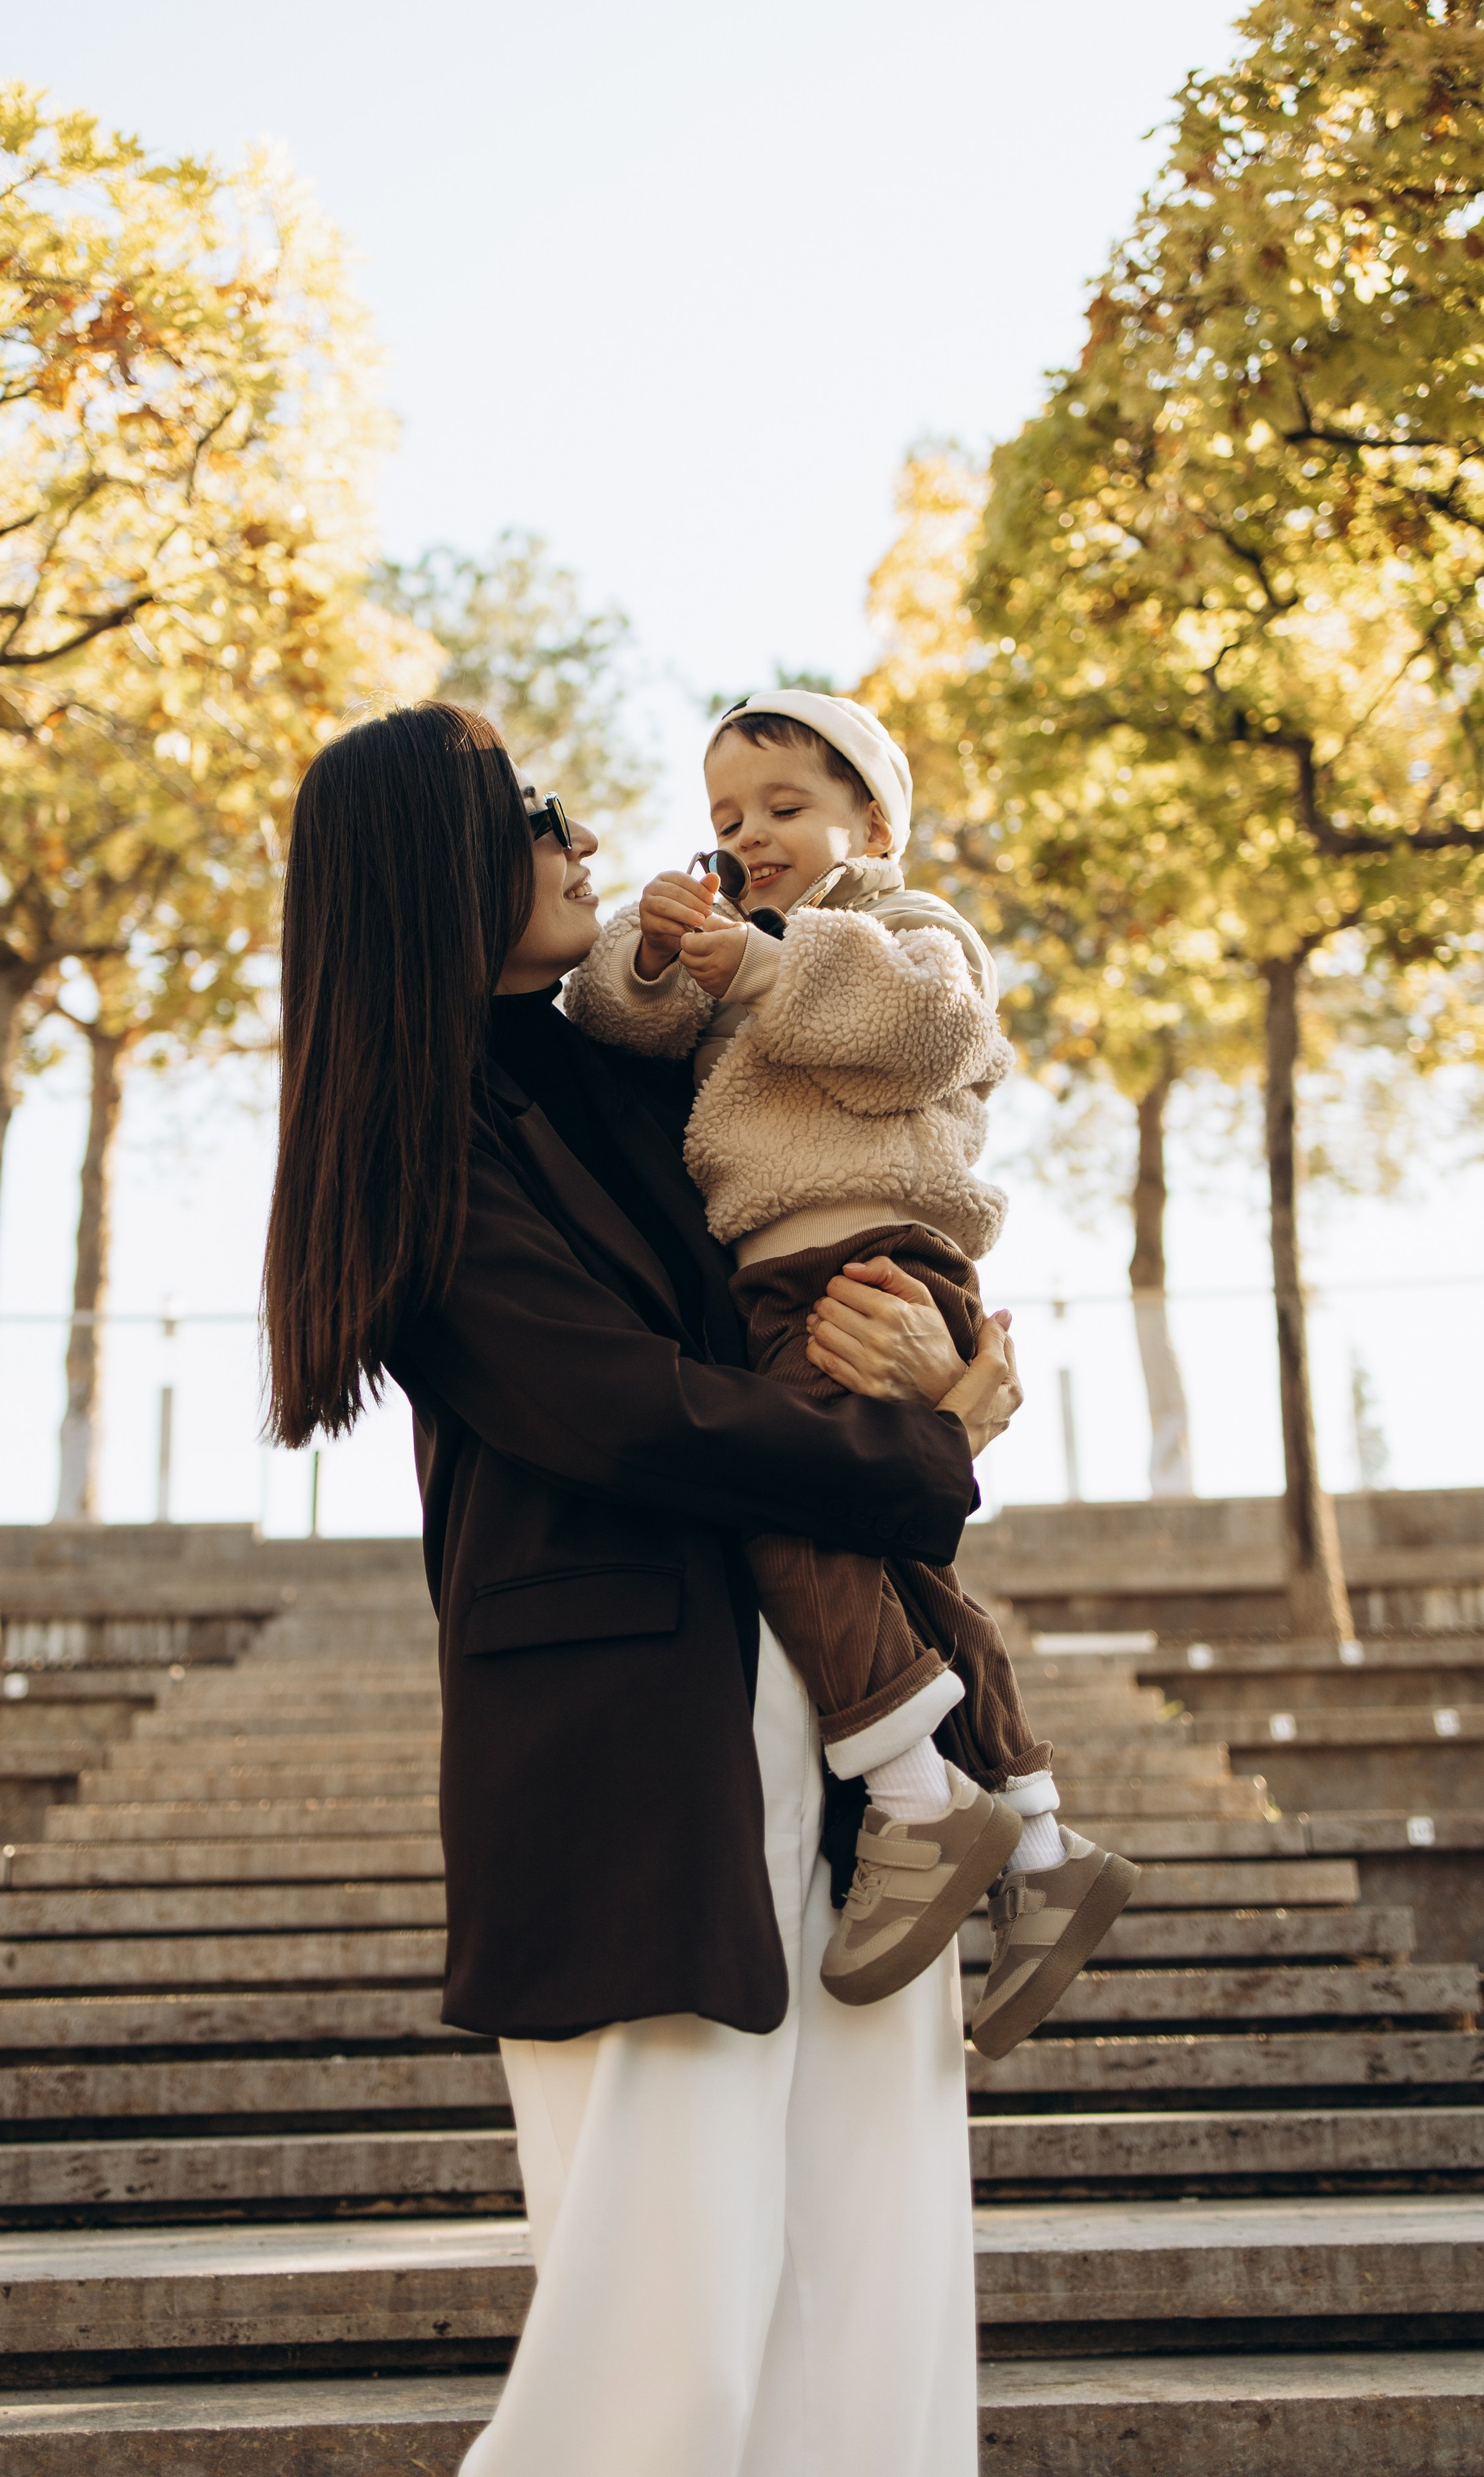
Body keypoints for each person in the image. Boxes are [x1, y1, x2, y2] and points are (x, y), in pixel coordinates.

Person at [262, 700, 1023, 2477]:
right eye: (530, 813)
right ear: (432, 863)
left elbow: (847, 1208)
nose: (584, 838)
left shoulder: (644, 1058)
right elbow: (621, 1413)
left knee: (877, 2310)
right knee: (658, 2341)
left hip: (836, 1729)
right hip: (634, 1772)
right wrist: (916, 1454)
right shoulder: (415, 1137)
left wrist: (934, 1360)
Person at [563, 690, 1136, 2040]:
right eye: (724, 818)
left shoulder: (903, 927)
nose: (748, 836)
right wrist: (653, 963)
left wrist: (762, 969)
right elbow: (614, 1027)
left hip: (874, 1261)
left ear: (871, 823)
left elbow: (926, 1034)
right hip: (783, 1280)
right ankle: (1045, 1845)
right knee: (897, 1562)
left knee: (787, 1510)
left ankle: (913, 1794)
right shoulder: (737, 956)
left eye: (782, 808)